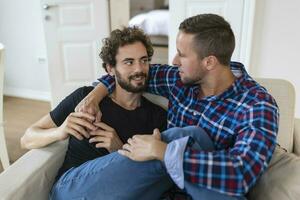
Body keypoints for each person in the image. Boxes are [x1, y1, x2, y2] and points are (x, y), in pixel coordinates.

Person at [75, 14, 280, 199]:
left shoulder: (257, 106)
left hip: (200, 191)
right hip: (158, 184)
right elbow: (131, 74)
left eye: (182, 54)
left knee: (191, 136)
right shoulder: (179, 79)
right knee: (191, 135)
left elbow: (241, 174)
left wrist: (164, 152)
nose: (174, 61)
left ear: (209, 62)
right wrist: (95, 94)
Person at [20, 27, 176, 199]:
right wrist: (61, 131)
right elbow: (27, 138)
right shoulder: (85, 99)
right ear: (110, 69)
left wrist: (119, 150)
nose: (139, 69)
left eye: (144, 60)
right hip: (71, 188)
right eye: (129, 62)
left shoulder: (157, 117)